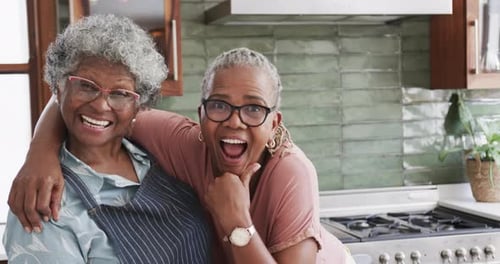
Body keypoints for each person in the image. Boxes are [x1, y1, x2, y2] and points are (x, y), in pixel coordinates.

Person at [8, 47, 354, 263]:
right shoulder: (182, 141)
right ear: (200, 114)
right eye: (219, 106)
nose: (235, 121)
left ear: (274, 120)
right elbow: (94, 102)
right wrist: (38, 154)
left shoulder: (290, 172)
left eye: (253, 109)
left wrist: (235, 219)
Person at [2, 14, 211, 264]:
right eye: (86, 86)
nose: (101, 105)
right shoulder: (43, 201)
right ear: (58, 88)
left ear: (139, 104)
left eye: (121, 93)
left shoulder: (156, 151)